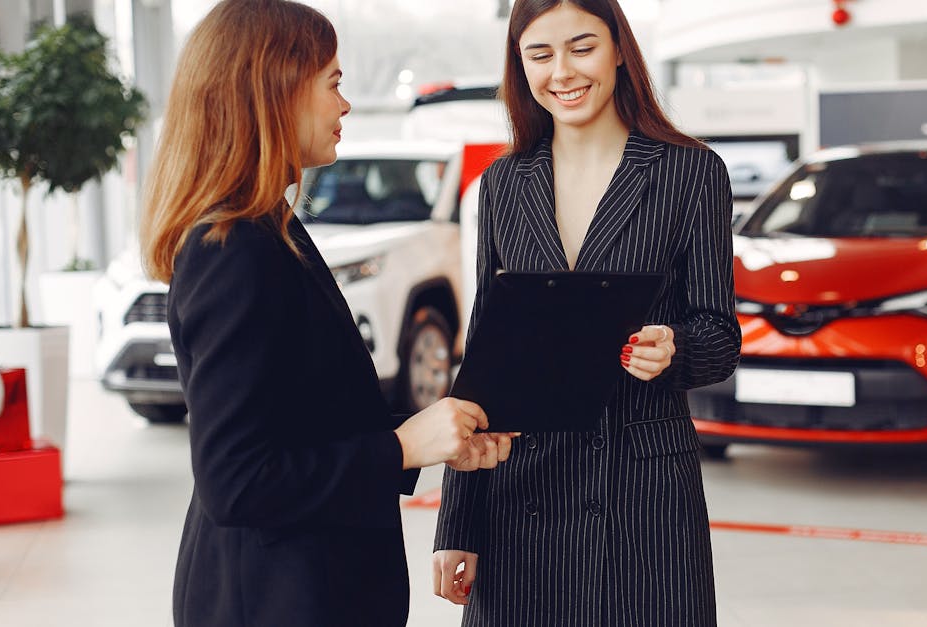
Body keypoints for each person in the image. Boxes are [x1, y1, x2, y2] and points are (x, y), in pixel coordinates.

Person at [139, 2, 513, 625]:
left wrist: (430, 438)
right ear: (274, 91)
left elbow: (303, 418)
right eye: (333, 84)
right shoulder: (233, 250)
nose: (345, 105)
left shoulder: (270, 229)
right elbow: (237, 480)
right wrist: (400, 447)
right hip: (274, 599)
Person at [432, 1, 740, 625]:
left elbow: (721, 335)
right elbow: (487, 359)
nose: (562, 72)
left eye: (582, 47)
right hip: (522, 495)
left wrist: (675, 348)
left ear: (619, 49)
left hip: (645, 498)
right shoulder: (503, 184)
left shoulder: (690, 172)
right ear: (520, 65)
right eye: (540, 55)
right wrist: (458, 521)